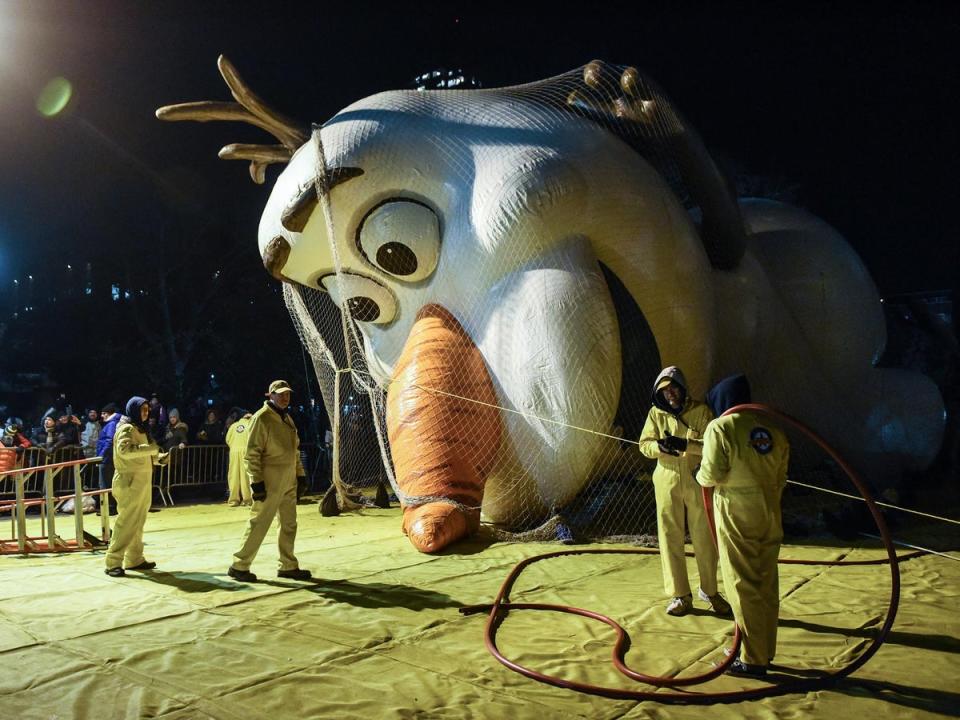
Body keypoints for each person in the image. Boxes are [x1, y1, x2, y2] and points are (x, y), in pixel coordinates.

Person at [697, 374, 789, 677]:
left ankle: (752, 659)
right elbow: (781, 476)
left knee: (742, 581)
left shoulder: (721, 427)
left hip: (737, 512)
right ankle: (764, 649)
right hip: (770, 510)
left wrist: (699, 475)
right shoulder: (774, 430)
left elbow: (710, 474)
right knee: (765, 580)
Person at [638, 366, 731, 617]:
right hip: (666, 482)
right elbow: (643, 445)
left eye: (674, 388)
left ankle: (710, 591)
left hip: (697, 481)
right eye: (665, 391)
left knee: (705, 537)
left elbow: (712, 446)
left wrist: (686, 445)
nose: (671, 394)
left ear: (682, 387)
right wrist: (659, 447)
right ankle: (680, 596)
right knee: (670, 536)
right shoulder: (656, 414)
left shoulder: (701, 412)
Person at [227, 380, 312, 582]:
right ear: (270, 395)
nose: (285, 397)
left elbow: (295, 450)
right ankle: (239, 565)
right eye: (281, 394)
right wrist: (256, 482)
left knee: (289, 523)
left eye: (287, 394)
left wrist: (300, 475)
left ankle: (288, 565)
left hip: (288, 478)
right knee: (259, 522)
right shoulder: (262, 418)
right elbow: (252, 453)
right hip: (270, 479)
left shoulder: (287, 418)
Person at [104, 397, 167, 577]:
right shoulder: (126, 428)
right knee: (126, 523)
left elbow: (143, 453)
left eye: (147, 409)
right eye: (142, 409)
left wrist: (159, 459)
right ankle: (113, 562)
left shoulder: (140, 428)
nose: (146, 413)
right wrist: (151, 450)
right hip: (129, 481)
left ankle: (134, 558)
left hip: (141, 481)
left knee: (137, 522)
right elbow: (124, 451)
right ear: (133, 410)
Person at [96, 403, 122, 513]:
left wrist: (101, 456)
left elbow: (109, 440)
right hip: (108, 457)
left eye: (104, 413)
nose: (102, 415)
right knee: (108, 482)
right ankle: (110, 506)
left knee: (105, 483)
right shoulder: (112, 423)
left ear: (109, 414)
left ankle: (109, 507)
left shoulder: (111, 424)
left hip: (106, 458)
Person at [224, 410, 253, 506]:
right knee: (245, 477)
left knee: (233, 476)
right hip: (246, 451)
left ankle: (233, 500)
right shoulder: (251, 424)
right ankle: (247, 500)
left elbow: (227, 439)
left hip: (233, 451)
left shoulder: (233, 425)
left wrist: (233, 446)